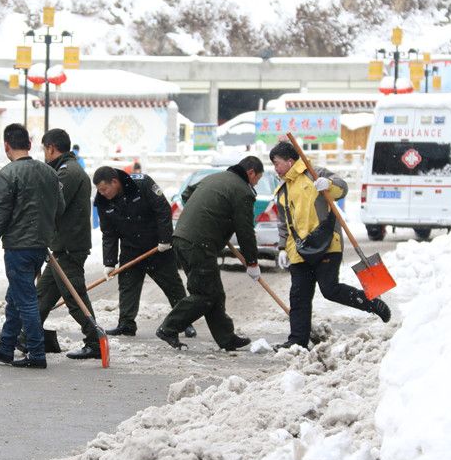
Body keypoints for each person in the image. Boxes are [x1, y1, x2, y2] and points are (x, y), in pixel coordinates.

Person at [269, 141, 391, 350]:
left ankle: (371, 303)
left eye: (277, 163)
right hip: (298, 250)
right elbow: (283, 223)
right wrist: (282, 248)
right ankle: (297, 341)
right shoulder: (283, 190)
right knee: (298, 296)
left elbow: (342, 188)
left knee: (330, 289)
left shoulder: (314, 173)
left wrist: (329, 185)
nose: (275, 168)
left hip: (326, 244)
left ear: (289, 162)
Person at [156, 156, 264, 351]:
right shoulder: (242, 191)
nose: (256, 184)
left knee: (214, 293)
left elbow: (187, 194)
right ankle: (169, 328)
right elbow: (245, 231)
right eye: (257, 179)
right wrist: (252, 262)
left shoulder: (214, 178)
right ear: (250, 173)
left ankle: (226, 338)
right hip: (199, 243)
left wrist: (207, 214)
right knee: (205, 294)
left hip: (183, 238)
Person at [0, 123, 65, 369]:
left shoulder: (7, 174)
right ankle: (6, 348)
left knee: (26, 300)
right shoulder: (50, 173)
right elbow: (59, 207)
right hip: (39, 245)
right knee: (15, 297)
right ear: (29, 144)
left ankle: (36, 353)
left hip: (18, 246)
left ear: (6, 145)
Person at [93, 166, 193, 338]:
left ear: (115, 182)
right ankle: (126, 324)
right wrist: (109, 262)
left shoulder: (142, 184)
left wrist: (165, 239)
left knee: (173, 286)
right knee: (127, 287)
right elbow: (109, 233)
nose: (102, 193)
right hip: (130, 249)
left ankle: (185, 322)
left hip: (157, 248)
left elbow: (163, 210)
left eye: (104, 189)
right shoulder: (103, 201)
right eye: (99, 190)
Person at [34, 128, 100, 360]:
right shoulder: (66, 169)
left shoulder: (68, 172)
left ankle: (95, 341)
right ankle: (28, 336)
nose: (44, 154)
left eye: (44, 149)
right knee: (42, 296)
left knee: (75, 297)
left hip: (69, 247)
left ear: (51, 148)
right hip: (62, 246)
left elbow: (52, 205)